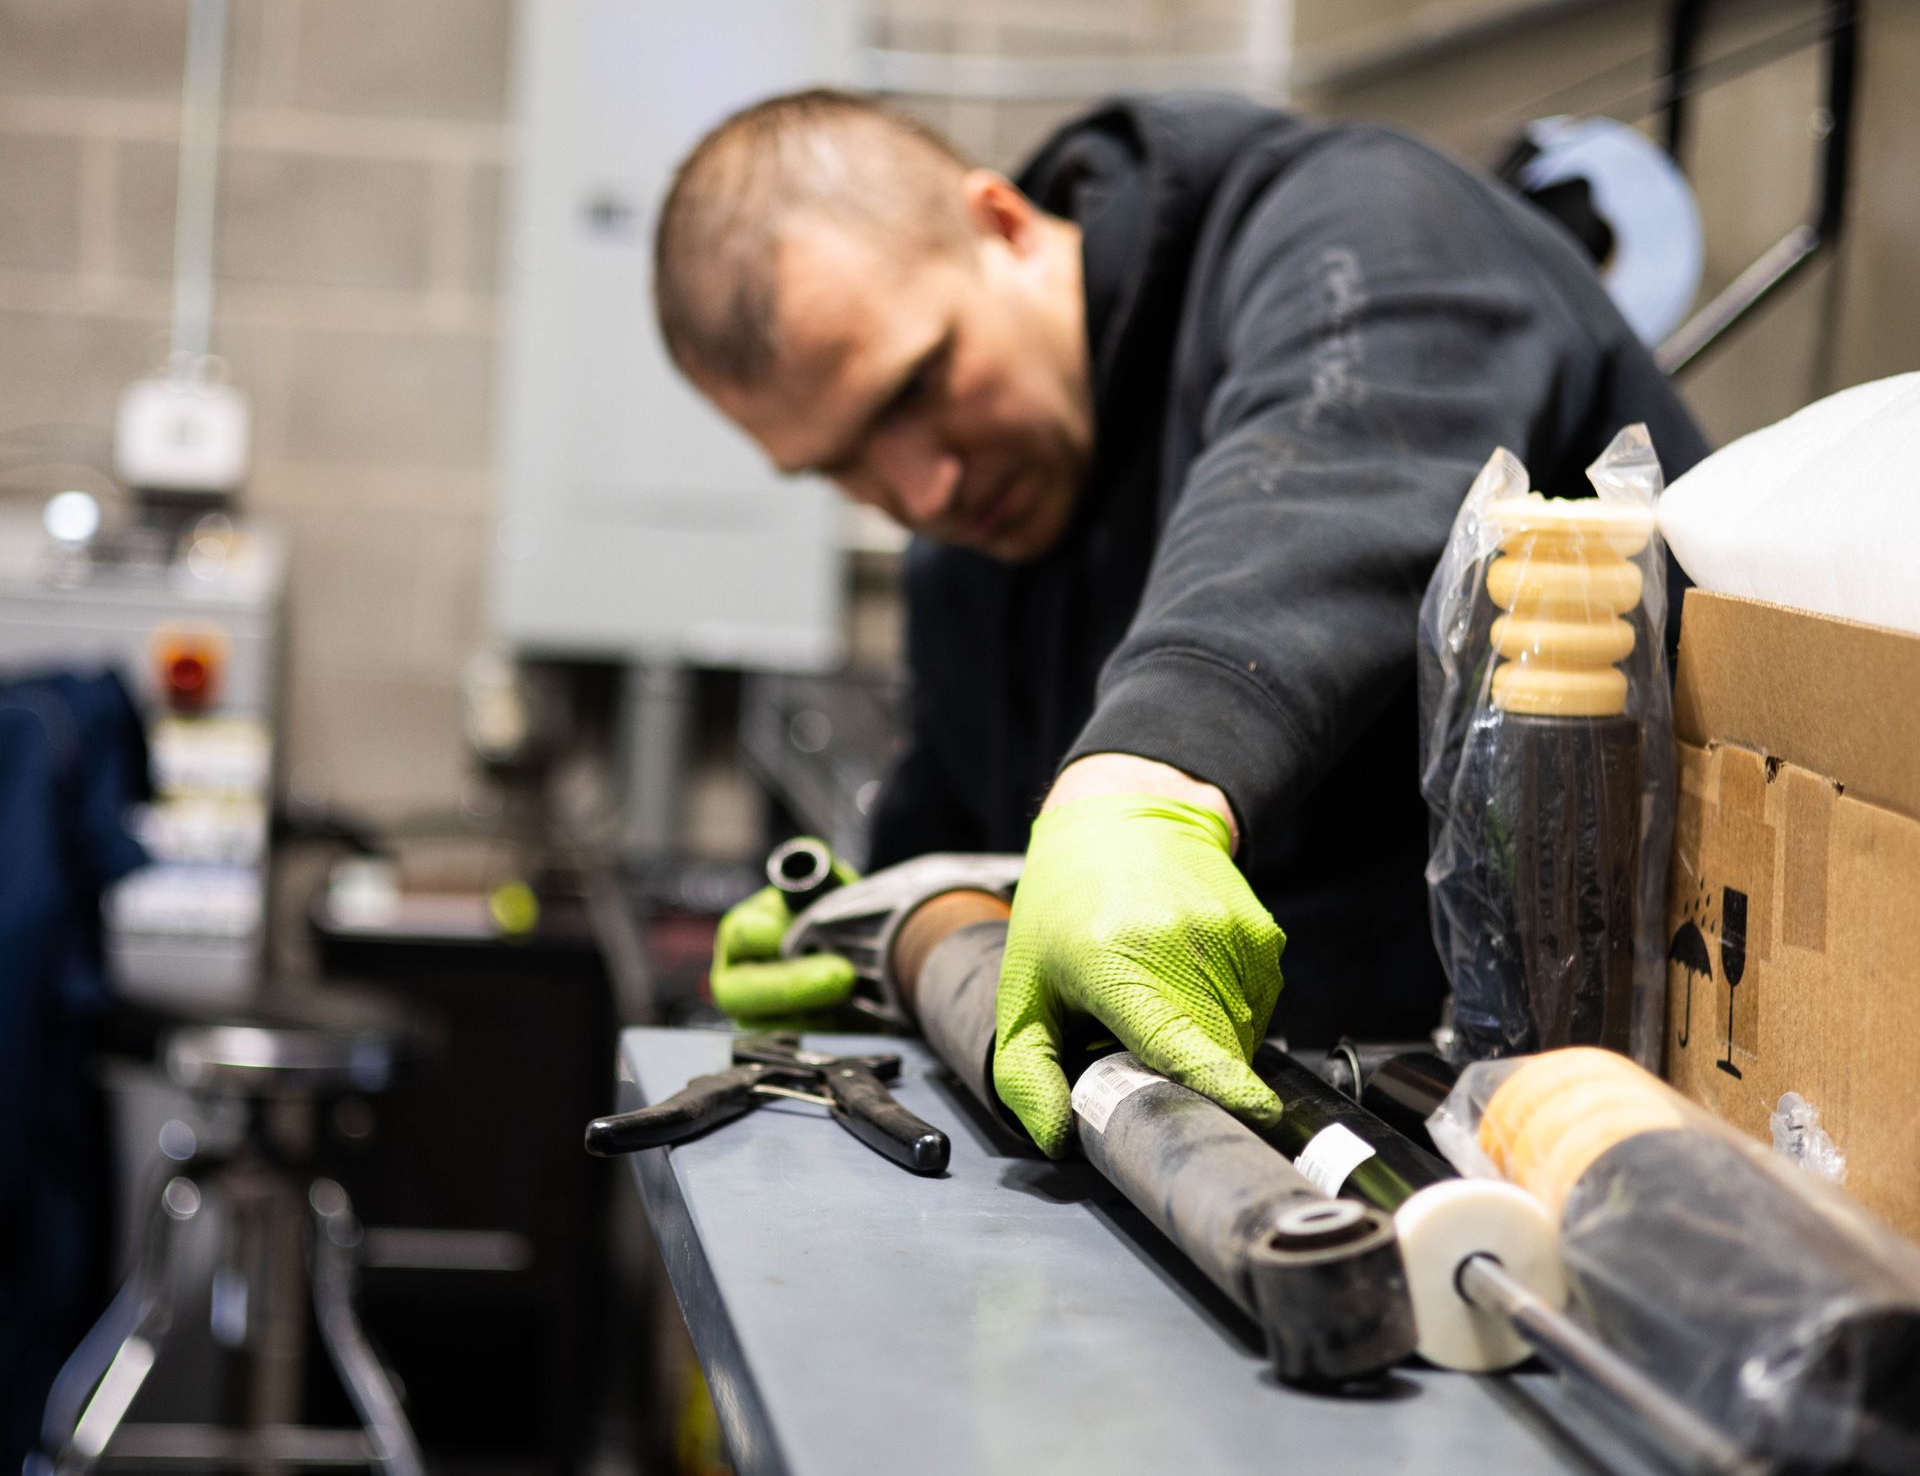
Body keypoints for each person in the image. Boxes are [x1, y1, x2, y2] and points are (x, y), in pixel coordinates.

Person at [653, 89, 1708, 1152]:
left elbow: (1329, 465)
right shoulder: (969, 556)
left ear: (1003, 222)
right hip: (1268, 1166)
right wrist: (872, 927)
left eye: (917, 385)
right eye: (837, 463)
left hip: (1625, 1130)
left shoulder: (1366, 221)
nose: (919, 489)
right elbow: (968, 848)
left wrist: (1139, 781)